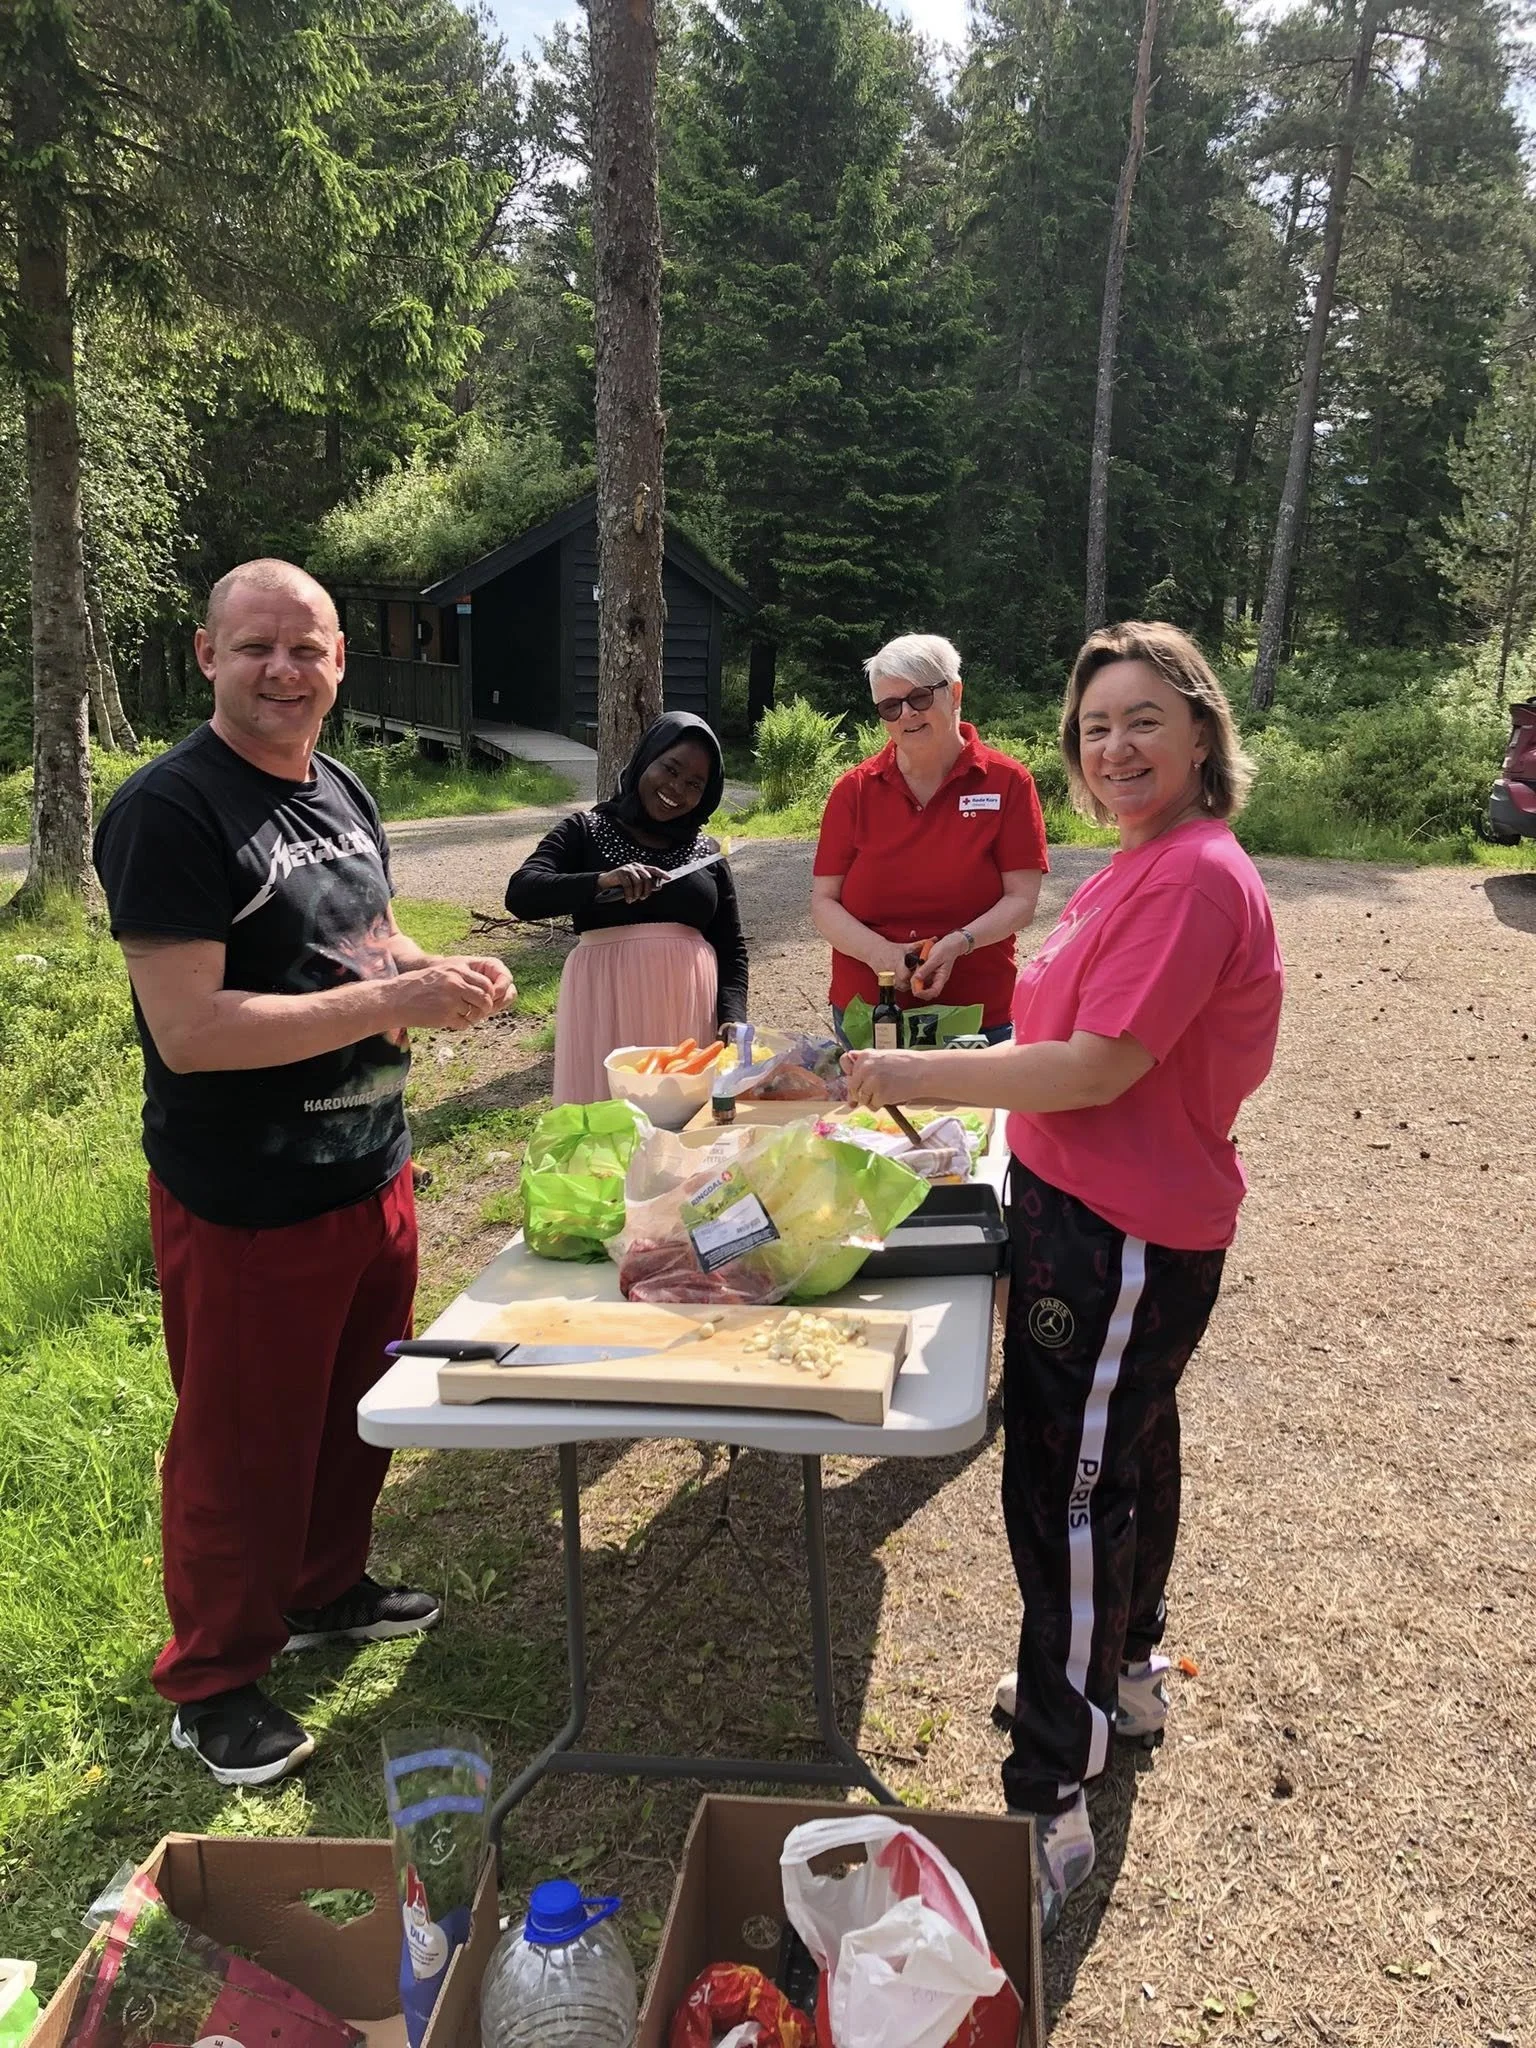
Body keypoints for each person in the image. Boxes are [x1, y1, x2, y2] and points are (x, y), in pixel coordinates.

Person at [841, 622, 1283, 1934]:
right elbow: (1056, 1046)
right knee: (1126, 1452)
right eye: (1096, 727)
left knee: (1069, 1488)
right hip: (1088, 1209)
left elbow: (1095, 1068)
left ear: (1202, 732)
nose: (1115, 747)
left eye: (1144, 719)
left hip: (1125, 1234)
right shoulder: (1139, 866)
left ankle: (1049, 1802)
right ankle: (1123, 1677)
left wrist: (911, 1072)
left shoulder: (1196, 877)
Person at [93, 557, 517, 1788]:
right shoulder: (167, 810)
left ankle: (329, 1586)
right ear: (205, 655)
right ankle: (215, 1677)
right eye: (257, 647)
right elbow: (194, 1029)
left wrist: (439, 972)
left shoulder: (338, 783)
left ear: (340, 661)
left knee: (353, 1408)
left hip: (368, 1161)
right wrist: (399, 993)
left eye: (309, 648)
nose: (285, 670)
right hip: (245, 1195)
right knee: (238, 1443)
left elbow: (362, 943)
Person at [811, 634, 1048, 1045]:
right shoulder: (854, 790)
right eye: (890, 706)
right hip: (868, 1012)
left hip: (976, 1014)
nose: (906, 714)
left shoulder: (1008, 782)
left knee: (971, 1113)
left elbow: (1021, 901)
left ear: (955, 693)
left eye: (919, 697)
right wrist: (879, 954)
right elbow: (823, 902)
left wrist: (960, 943)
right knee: (870, 1113)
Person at [505, 711, 747, 1104]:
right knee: (608, 1126)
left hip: (688, 1012)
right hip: (606, 1002)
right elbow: (521, 894)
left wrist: (732, 1015)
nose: (676, 789)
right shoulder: (586, 831)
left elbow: (730, 945)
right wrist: (600, 880)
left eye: (694, 784)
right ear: (645, 759)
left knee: (683, 1129)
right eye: (670, 769)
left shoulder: (707, 854)